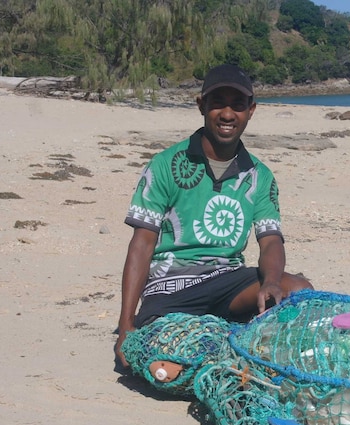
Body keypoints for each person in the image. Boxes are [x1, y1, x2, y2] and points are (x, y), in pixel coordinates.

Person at [114, 64, 313, 370]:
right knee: (166, 370)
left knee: (299, 291)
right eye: (218, 102)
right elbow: (142, 244)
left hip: (227, 282)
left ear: (251, 110)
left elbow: (271, 240)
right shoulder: (166, 165)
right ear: (201, 105)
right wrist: (126, 324)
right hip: (172, 287)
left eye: (238, 104)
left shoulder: (259, 176)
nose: (228, 113)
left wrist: (271, 282)